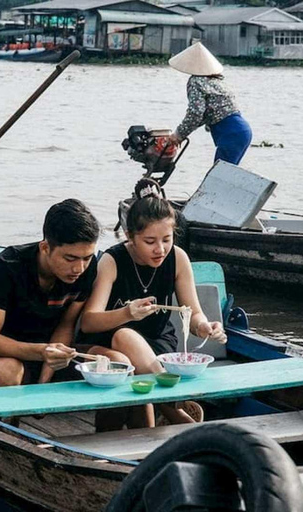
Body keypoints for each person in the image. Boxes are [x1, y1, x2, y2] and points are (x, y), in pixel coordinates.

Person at [79, 178, 227, 427]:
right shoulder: (113, 261)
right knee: (125, 336)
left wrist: (205, 327)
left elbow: (194, 314)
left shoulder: (178, 258)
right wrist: (127, 313)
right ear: (130, 236)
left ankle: (160, 412)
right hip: (111, 342)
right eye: (150, 242)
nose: (160, 249)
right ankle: (172, 406)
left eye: (167, 239)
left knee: (141, 392)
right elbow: (89, 322)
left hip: (159, 344)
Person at [0, 199, 129, 391]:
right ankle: (9, 420)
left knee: (118, 362)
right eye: (70, 258)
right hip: (8, 354)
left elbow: (66, 324)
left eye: (87, 258)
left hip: (57, 354)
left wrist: (45, 379)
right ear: (45, 248)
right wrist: (41, 352)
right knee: (6, 370)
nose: (79, 268)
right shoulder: (6, 267)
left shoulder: (86, 270)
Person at [167, 42, 252, 166]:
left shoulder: (196, 81)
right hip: (242, 131)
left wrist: (179, 134)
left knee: (220, 177)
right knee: (224, 175)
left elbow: (195, 113)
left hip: (231, 133)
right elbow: (208, 113)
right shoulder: (218, 81)